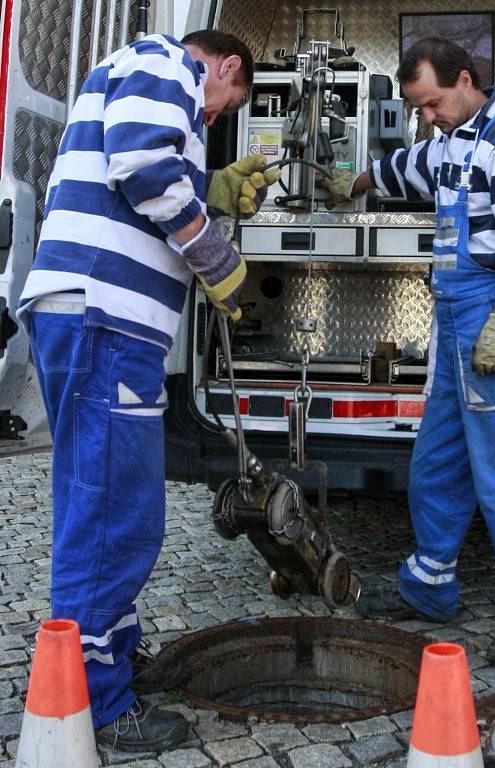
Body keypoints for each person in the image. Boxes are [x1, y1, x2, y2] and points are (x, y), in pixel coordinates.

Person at [16, 29, 279, 752]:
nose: (214, 117)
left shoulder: (135, 71)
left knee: (96, 498)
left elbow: (141, 168)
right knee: (115, 515)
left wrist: (208, 193)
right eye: (226, 105)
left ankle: (111, 648)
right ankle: (96, 702)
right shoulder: (167, 61)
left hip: (91, 318)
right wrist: (213, 252)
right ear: (225, 65)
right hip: (106, 321)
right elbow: (140, 159)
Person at [323, 37, 495, 668]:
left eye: (432, 103)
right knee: (437, 462)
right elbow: (403, 166)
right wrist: (349, 182)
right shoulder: (445, 142)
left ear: (465, 80)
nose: (426, 116)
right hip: (454, 324)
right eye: (419, 109)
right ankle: (428, 587)